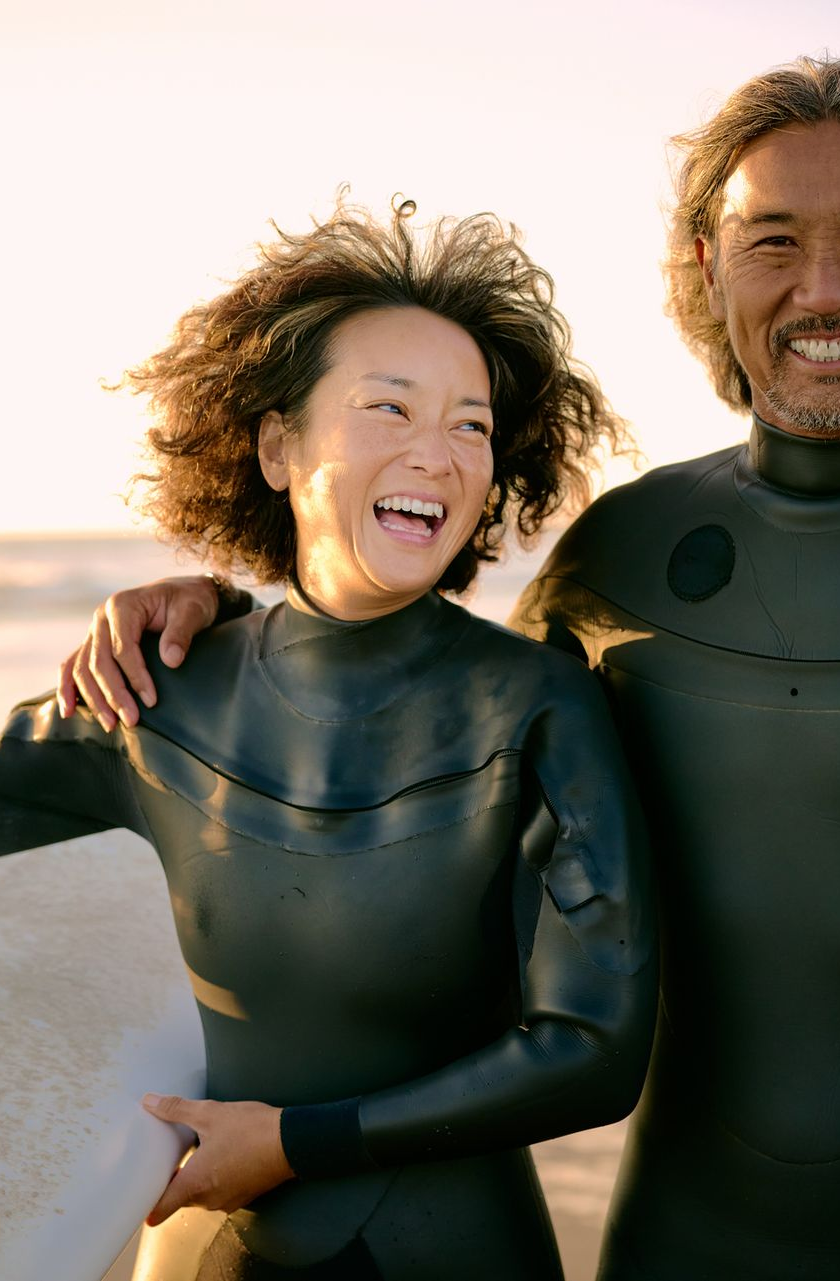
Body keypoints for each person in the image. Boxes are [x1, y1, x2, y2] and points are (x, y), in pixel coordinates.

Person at [57, 58, 840, 1281]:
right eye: (770, 241)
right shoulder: (621, 557)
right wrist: (227, 623)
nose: (823, 287)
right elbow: (413, 704)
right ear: (706, 269)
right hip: (668, 1250)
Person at [0, 200, 656, 1279]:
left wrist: (294, 1143)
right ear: (274, 445)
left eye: (470, 425)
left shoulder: (537, 706)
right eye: (386, 408)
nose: (436, 455)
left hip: (457, 1251)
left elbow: (595, 1054)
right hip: (208, 1245)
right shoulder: (155, 686)